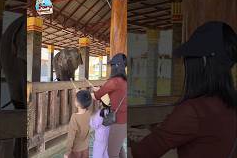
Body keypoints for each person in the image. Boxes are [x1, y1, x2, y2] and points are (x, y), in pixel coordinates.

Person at [130, 21, 237, 158]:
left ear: (203, 60)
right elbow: (206, 140)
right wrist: (158, 135)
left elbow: (142, 153)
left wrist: (155, 138)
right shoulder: (229, 105)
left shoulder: (193, 110)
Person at [92, 53, 127, 158]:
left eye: (112, 65)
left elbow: (97, 96)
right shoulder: (125, 81)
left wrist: (81, 93)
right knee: (119, 147)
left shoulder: (114, 81)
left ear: (116, 66)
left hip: (119, 122)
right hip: (125, 120)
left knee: (112, 154)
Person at [64, 90, 92, 158]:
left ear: (77, 103)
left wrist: (67, 152)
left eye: (75, 99)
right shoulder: (89, 113)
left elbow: (71, 137)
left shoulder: (74, 117)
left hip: (76, 150)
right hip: (86, 147)